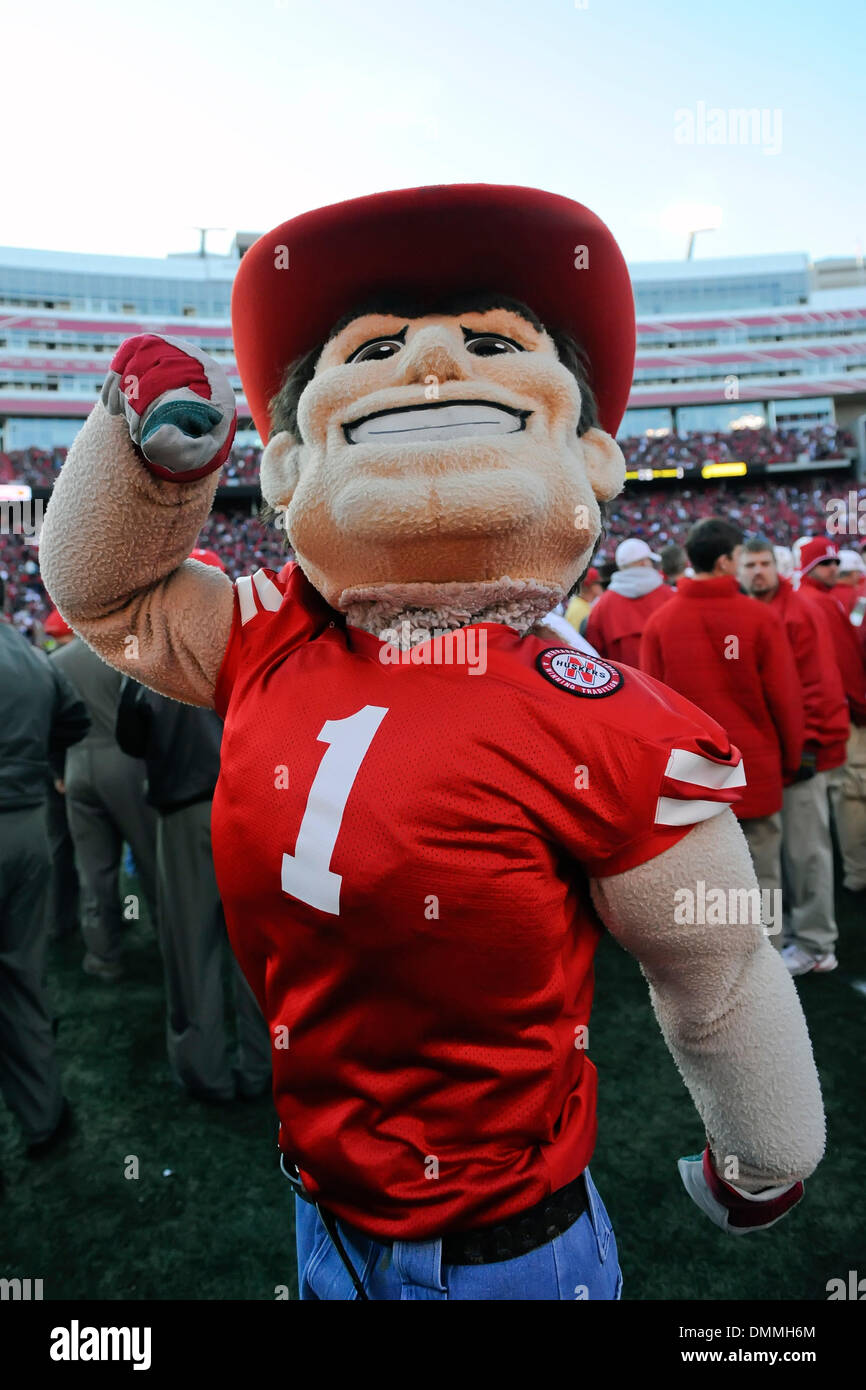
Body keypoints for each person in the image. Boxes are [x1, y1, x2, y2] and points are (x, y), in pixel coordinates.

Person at [41, 185, 823, 1300]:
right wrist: (148, 465)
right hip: (317, 1204)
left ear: (592, 455)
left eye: (492, 342)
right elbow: (104, 592)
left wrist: (765, 1153)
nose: (431, 361)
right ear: (289, 462)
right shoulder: (264, 631)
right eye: (376, 348)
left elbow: (716, 973)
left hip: (510, 1244)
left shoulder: (604, 718)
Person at [115, 556, 272, 1104]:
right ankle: (262, 1068)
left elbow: (131, 740)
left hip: (184, 815)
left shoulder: (153, 656)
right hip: (249, 812)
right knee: (253, 949)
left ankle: (205, 1070)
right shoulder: (258, 647)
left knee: (191, 947)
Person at [641, 518, 804, 926]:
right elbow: (786, 700)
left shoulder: (660, 622)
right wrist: (792, 757)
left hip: (694, 774)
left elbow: (651, 713)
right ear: (727, 561)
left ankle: (720, 961)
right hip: (756, 768)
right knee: (763, 873)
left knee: (708, 882)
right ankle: (769, 955)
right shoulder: (759, 618)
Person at [0, 577, 89, 1172]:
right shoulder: (30, 653)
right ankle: (42, 1116)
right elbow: (74, 721)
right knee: (20, 976)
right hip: (27, 825)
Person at [738, 539, 848, 974]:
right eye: (751, 564)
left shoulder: (799, 610)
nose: (759, 571)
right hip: (766, 753)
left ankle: (818, 945)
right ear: (738, 568)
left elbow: (817, 684)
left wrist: (809, 745)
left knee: (807, 852)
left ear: (777, 567)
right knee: (769, 854)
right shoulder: (750, 611)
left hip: (801, 753)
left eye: (765, 563)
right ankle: (781, 940)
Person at [50, 633, 158, 979]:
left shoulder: (57, 661)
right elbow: (146, 711)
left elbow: (53, 723)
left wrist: (58, 771)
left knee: (94, 869)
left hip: (77, 765)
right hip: (125, 763)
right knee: (149, 859)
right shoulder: (123, 651)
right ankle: (166, 940)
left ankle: (104, 955)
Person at [797, 537, 866, 893]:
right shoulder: (822, 602)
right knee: (851, 794)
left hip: (830, 711)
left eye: (838, 565)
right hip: (838, 713)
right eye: (826, 564)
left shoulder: (820, 600)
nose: (836, 571)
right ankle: (856, 874)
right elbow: (847, 661)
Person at [44, 608, 81, 939]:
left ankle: (62, 921)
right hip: (68, 771)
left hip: (65, 772)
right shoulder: (56, 665)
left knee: (65, 847)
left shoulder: (49, 664)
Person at [585, 537, 672, 666]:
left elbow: (593, 655)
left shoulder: (602, 606)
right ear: (643, 563)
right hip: (664, 684)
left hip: (624, 683)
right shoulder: (670, 596)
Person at [564, 566, 602, 630]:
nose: (602, 587)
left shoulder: (581, 604)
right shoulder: (580, 610)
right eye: (600, 583)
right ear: (591, 586)